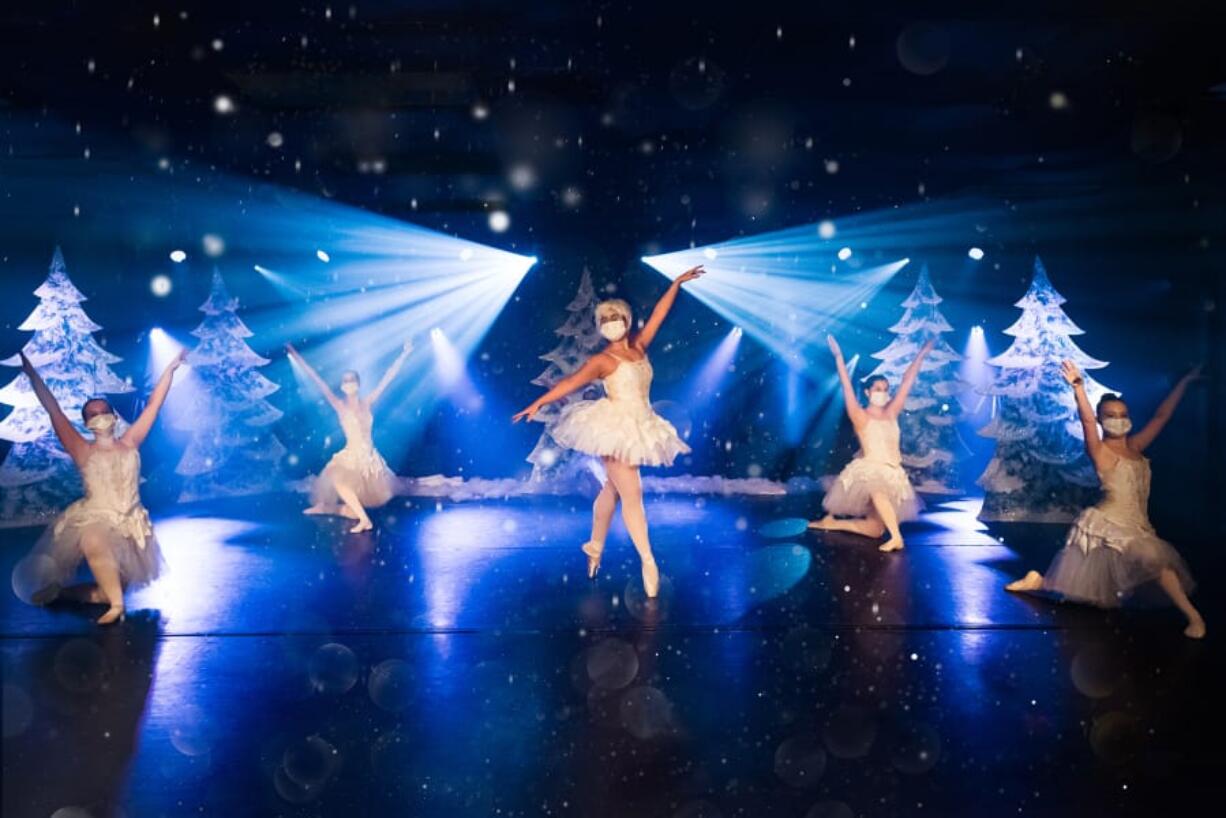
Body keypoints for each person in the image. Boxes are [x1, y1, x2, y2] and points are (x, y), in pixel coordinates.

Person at [512, 267, 705, 597]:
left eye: (616, 317)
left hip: (640, 423)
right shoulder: (603, 360)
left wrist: (675, 284)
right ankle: (648, 560)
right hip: (612, 428)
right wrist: (537, 404)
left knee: (612, 492)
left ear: (627, 321)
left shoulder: (640, 347)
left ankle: (594, 547)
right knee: (632, 494)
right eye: (605, 320)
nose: (611, 323)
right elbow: (570, 383)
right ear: (601, 328)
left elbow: (659, 313)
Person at [1006, 361, 1205, 639]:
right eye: (1110, 415)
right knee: (1154, 559)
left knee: (1084, 593)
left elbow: (1161, 416)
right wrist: (1078, 388)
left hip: (1138, 526)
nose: (1118, 419)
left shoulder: (1136, 447)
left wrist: (1185, 382)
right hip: (1107, 526)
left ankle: (1040, 580)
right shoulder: (1100, 451)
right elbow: (1086, 420)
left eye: (1122, 414)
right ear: (1101, 420)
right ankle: (1194, 616)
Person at [14, 349, 185, 624]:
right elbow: (53, 410)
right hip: (97, 517)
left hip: (131, 523)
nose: (99, 416)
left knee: (105, 593)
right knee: (92, 539)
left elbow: (154, 404)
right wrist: (33, 375)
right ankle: (118, 607)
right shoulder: (81, 449)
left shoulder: (131, 441)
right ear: (86, 423)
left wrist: (170, 369)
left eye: (104, 412)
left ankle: (62, 595)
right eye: (93, 414)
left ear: (114, 417)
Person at [809, 335, 934, 552]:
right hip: (869, 470)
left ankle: (832, 523)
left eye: (885, 389)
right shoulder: (860, 415)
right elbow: (846, 386)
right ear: (867, 393)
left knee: (875, 530)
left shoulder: (891, 412)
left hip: (893, 472)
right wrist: (839, 357)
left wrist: (921, 354)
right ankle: (897, 538)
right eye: (878, 389)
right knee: (878, 491)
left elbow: (907, 381)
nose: (883, 393)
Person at [287, 340, 413, 533]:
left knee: (351, 510)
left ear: (358, 384)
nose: (348, 383)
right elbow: (317, 380)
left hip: (370, 460)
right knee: (338, 479)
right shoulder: (339, 405)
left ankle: (329, 509)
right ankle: (365, 521)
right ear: (342, 386)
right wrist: (297, 357)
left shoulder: (368, 402)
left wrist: (404, 354)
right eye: (345, 381)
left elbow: (388, 379)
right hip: (350, 457)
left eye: (352, 380)